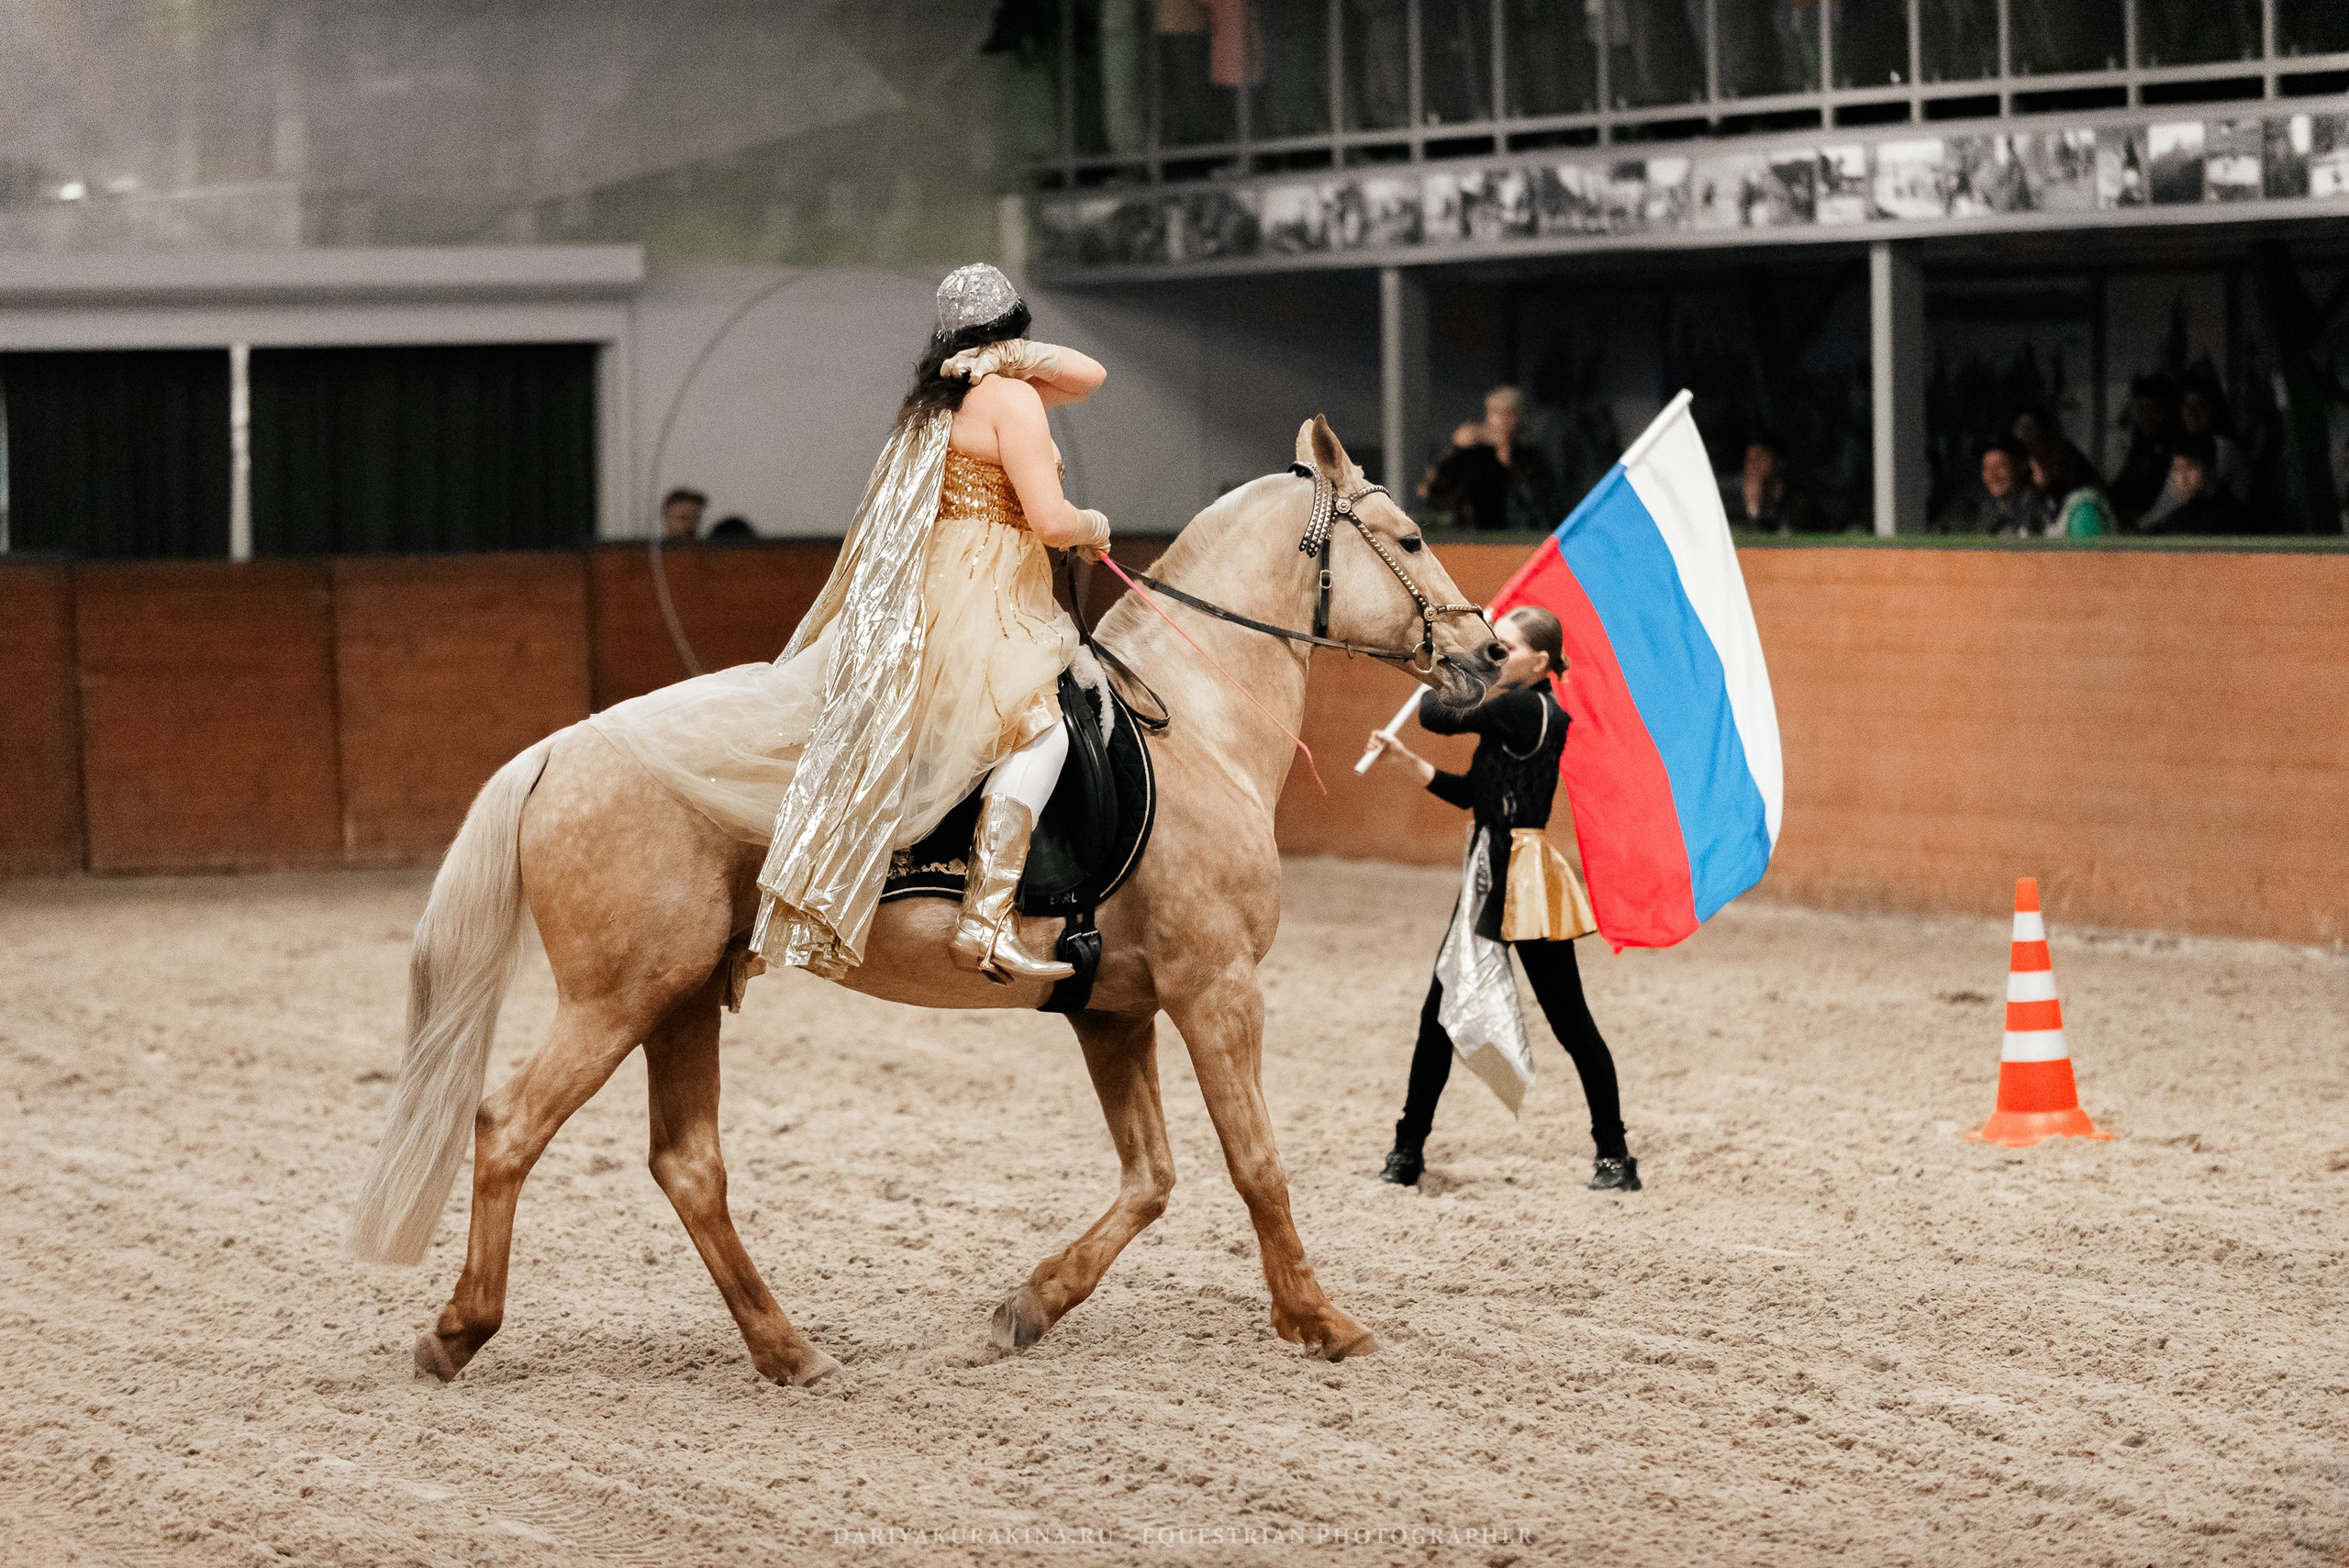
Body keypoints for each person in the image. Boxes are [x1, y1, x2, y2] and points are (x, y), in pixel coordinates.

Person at [588, 263, 1111, 984]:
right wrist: (1095, 523)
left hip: (931, 592)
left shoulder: (937, 405)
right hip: (983, 598)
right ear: (1013, 330)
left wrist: (999, 357)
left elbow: (1089, 376)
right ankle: (985, 917)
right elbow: (1052, 521)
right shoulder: (1013, 400)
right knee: (1042, 729)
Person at [1363, 606, 1639, 1194]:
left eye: (1505, 648)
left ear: (1539, 662)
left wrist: (1452, 663)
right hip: (1489, 871)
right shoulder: (1512, 712)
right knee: (1438, 1015)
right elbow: (1473, 794)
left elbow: (1439, 715)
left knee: (1571, 1023)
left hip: (1522, 882)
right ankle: (1407, 1151)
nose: (1496, 654)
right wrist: (1407, 764)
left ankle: (1614, 1155)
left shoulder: (1525, 707)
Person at [1420, 386, 1557, 530]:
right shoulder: (1473, 454)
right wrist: (1453, 448)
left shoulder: (1532, 457)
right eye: (1495, 413)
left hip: (1519, 536)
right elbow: (1433, 490)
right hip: (1472, 535)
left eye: (1509, 415)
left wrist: (1508, 459)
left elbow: (1539, 505)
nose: (1501, 422)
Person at [2138, 434, 2251, 535]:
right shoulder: (2177, 516)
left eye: (2190, 468)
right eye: (2177, 470)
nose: (2183, 478)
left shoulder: (2231, 516)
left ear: (2209, 469)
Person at [2108, 373, 2178, 525]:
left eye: (2154, 410)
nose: (2146, 417)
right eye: (2140, 410)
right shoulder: (2133, 443)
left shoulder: (2175, 448)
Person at [1950, 439, 2054, 536]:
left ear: (2020, 467)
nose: (1993, 476)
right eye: (1987, 468)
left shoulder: (2038, 506)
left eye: (2000, 467)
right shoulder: (1980, 510)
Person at [1728, 432, 1824, 533]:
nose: (1753, 465)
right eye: (1750, 460)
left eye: (1760, 460)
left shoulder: (1793, 493)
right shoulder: (1731, 495)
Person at [2012, 408, 2099, 502]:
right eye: (2020, 427)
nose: (2021, 432)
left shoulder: (2058, 452)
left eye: (2028, 428)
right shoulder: (2024, 458)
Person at [2031, 453, 2115, 539]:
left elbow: (2086, 550)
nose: (2032, 463)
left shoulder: (2084, 509)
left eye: (2042, 453)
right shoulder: (2047, 503)